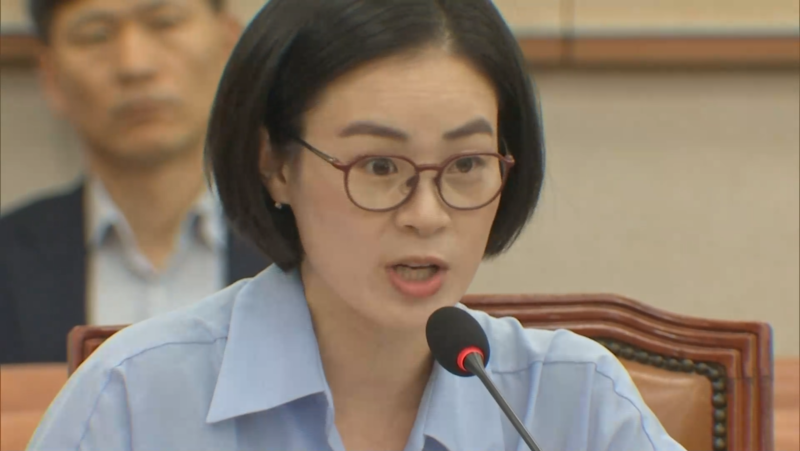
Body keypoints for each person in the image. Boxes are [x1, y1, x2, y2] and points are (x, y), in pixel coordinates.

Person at [26, 0, 685, 450]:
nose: (426, 214)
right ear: (275, 165)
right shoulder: (134, 398)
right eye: (379, 166)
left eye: (465, 165)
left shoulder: (571, 399)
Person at [0, 0, 270, 364]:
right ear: (50, 76)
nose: (135, 65)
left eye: (165, 23)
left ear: (228, 45)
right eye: (96, 35)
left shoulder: (307, 245)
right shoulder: (8, 261)